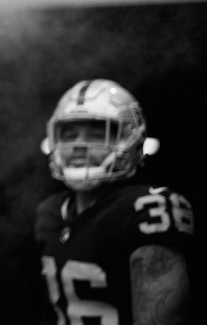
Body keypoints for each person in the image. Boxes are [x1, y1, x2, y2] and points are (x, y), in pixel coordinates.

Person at [35, 78, 193, 325]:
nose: (78, 145)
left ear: (129, 139)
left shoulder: (148, 208)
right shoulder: (49, 213)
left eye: (96, 132)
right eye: (69, 133)